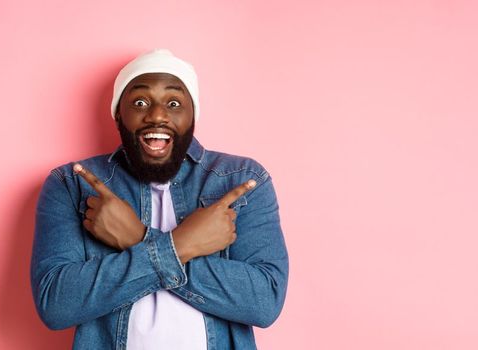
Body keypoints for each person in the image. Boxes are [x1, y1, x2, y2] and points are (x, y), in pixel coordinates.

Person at [30, 49, 288, 349]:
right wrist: (183, 245)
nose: (156, 115)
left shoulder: (241, 179)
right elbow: (56, 304)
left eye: (174, 103)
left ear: (193, 115)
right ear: (118, 114)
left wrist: (137, 239)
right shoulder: (72, 184)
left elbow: (264, 302)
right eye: (140, 102)